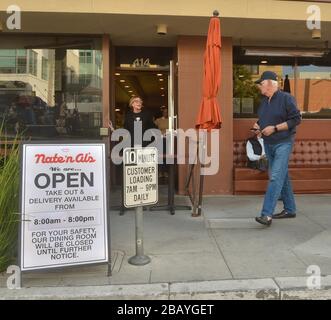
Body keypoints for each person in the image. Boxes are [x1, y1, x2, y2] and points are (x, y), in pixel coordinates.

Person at [252, 71, 301, 226]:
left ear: (270, 84)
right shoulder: (264, 101)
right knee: (282, 176)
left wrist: (275, 128)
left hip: (283, 143)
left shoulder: (286, 98)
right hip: (268, 143)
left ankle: (266, 215)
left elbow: (296, 119)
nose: (259, 86)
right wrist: (258, 127)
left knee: (275, 177)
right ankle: (290, 209)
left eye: (261, 83)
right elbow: (263, 120)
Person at [154, 106, 169, 178]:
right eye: (165, 112)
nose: (166, 113)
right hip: (160, 140)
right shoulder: (158, 120)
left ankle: (166, 172)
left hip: (168, 140)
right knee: (160, 156)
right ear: (162, 112)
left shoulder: (170, 120)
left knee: (166, 156)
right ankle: (160, 172)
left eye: (167, 112)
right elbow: (151, 127)